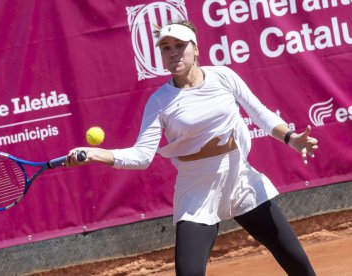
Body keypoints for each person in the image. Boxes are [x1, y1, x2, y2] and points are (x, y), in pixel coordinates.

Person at [66, 20, 318, 275]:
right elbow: (141, 156)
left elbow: (260, 114)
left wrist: (290, 138)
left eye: (179, 45)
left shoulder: (223, 76)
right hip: (196, 191)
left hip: (241, 180)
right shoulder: (160, 101)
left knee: (298, 264)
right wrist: (97, 154)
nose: (173, 52)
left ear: (195, 49)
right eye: (165, 47)